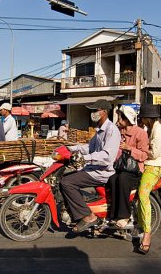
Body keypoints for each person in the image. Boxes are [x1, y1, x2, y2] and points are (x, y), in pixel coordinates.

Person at [59, 99, 121, 233]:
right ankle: (75, 209)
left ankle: (89, 216)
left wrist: (84, 158)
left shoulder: (112, 130)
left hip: (102, 172)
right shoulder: (99, 130)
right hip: (93, 168)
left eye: (95, 110)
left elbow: (107, 156)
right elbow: (89, 147)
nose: (92, 113)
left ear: (103, 112)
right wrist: (71, 149)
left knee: (67, 183)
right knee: (64, 176)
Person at [108, 105, 149, 228]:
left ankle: (124, 215)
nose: (118, 120)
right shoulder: (119, 131)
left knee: (122, 179)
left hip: (134, 169)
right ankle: (113, 214)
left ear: (127, 119)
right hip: (120, 166)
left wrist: (129, 148)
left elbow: (144, 155)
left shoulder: (140, 133)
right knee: (112, 178)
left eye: (120, 118)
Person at [137, 104, 161, 254]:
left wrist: (137, 151)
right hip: (147, 164)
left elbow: (154, 154)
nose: (141, 120)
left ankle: (147, 234)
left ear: (147, 118)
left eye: (142, 118)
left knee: (143, 194)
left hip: (155, 167)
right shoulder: (150, 128)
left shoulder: (159, 130)